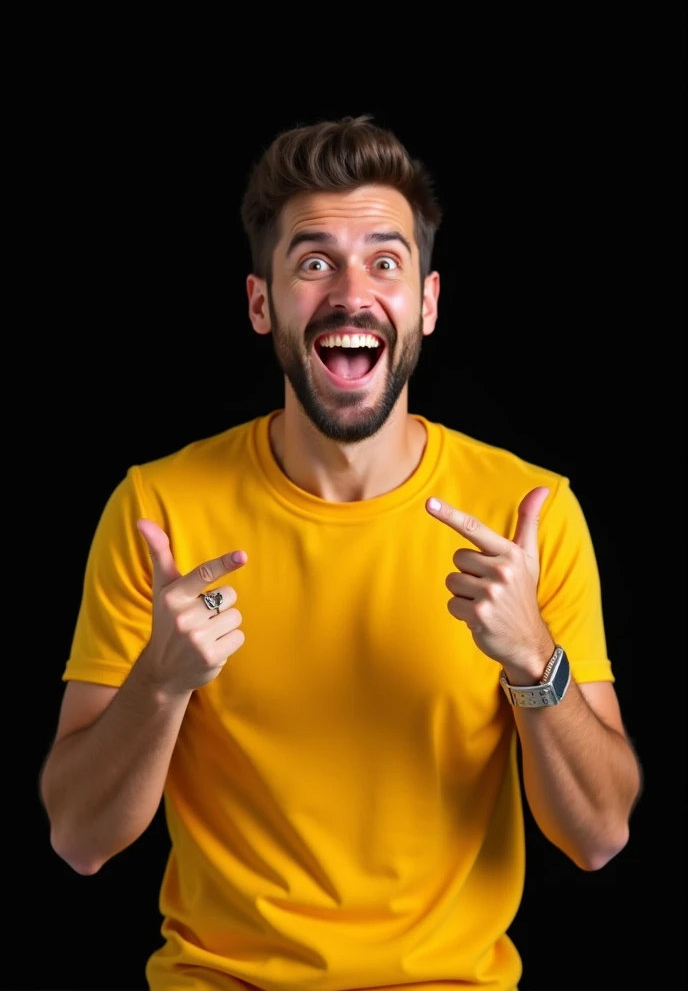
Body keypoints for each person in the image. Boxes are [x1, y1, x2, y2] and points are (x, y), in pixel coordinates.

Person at [39, 115, 643, 991]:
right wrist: (160, 683)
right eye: (313, 261)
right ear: (261, 303)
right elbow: (78, 840)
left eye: (385, 261)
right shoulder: (158, 511)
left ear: (427, 305)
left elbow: (600, 837)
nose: (351, 293)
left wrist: (534, 660)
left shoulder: (527, 513)